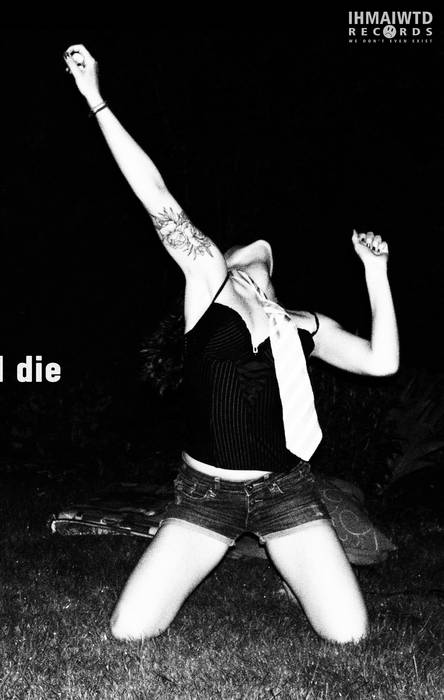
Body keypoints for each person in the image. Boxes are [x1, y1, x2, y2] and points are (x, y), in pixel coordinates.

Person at [63, 44, 399, 644]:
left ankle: (297, 568)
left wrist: (376, 273)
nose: (254, 253)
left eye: (264, 252)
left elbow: (382, 362)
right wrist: (96, 99)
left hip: (285, 492)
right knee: (130, 629)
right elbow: (157, 198)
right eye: (242, 249)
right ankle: (272, 562)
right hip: (206, 497)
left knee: (349, 634)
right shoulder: (209, 284)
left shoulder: (299, 324)